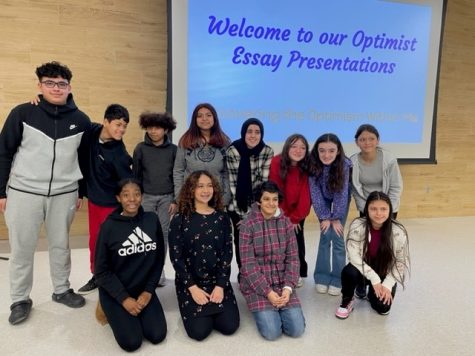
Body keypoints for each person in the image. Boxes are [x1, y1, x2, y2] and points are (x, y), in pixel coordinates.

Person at [0, 61, 90, 325]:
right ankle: (19, 299)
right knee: (22, 249)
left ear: (69, 87)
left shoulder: (81, 120)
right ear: (39, 85)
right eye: (49, 82)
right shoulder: (22, 113)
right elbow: (3, 152)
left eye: (61, 83)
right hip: (23, 192)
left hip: (64, 193)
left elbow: (84, 159)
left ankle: (61, 290)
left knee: (61, 246)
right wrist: (0, 191)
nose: (56, 88)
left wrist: (81, 191)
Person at [94, 178, 167, 351]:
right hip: (116, 291)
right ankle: (105, 306)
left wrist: (149, 291)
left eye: (136, 194)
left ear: (142, 196)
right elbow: (101, 271)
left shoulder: (151, 219)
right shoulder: (109, 227)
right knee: (132, 342)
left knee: (157, 335)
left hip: (142, 289)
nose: (132, 199)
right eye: (126, 195)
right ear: (118, 198)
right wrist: (124, 299)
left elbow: (158, 259)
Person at [168, 170, 240, 341]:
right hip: (191, 283)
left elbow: (227, 254)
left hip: (217, 282)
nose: (205, 190)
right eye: (200, 186)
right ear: (191, 190)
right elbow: (176, 258)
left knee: (229, 327)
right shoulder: (179, 219)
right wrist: (192, 288)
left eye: (209, 186)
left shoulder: (222, 218)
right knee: (199, 332)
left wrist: (221, 286)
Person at [239, 181, 305, 341]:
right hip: (258, 286)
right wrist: (268, 293)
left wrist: (288, 288)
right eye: (266, 199)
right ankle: (263, 307)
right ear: (258, 201)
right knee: (272, 332)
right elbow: (248, 266)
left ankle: (281, 306)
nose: (271, 203)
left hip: (283, 283)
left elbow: (293, 259)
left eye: (274, 199)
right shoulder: (248, 225)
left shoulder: (286, 223)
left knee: (296, 330)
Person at [78, 104, 133, 294]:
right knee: (94, 241)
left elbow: (128, 183)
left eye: (124, 126)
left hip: (112, 205)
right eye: (118, 125)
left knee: (113, 245)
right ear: (105, 122)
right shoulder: (91, 131)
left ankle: (115, 279)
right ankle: (96, 275)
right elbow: (72, 109)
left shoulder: (119, 154)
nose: (121, 130)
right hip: (94, 200)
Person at [335, 191, 410, 319]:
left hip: (384, 272)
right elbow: (354, 256)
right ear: (367, 210)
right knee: (349, 272)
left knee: (383, 308)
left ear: (390, 210)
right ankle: (348, 298)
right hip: (363, 271)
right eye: (373, 209)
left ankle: (370, 294)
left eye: (383, 209)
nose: (379, 213)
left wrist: (387, 284)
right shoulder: (358, 225)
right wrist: (374, 280)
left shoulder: (398, 230)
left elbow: (400, 262)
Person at [133, 111, 177, 286]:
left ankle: (158, 270)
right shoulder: (140, 148)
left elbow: (176, 176)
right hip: (146, 198)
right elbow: (135, 176)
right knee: (145, 235)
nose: (153, 131)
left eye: (157, 128)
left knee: (163, 235)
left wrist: (175, 200)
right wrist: (137, 198)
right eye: (150, 127)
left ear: (166, 129)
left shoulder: (174, 150)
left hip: (167, 198)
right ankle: (145, 270)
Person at [226, 118, 274, 268]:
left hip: (258, 206)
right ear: (243, 133)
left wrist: (254, 213)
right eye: (250, 131)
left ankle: (259, 272)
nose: (253, 135)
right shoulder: (233, 151)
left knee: (260, 239)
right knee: (241, 238)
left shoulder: (267, 151)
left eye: (257, 132)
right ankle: (244, 272)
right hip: (236, 205)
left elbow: (263, 185)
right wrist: (244, 216)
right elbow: (233, 185)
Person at [309, 133, 352, 296]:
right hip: (322, 200)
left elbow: (341, 194)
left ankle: (339, 278)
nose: (326, 155)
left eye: (331, 151)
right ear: (317, 151)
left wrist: (335, 218)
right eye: (322, 151)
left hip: (340, 198)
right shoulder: (312, 164)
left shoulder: (345, 164)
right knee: (326, 234)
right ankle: (321, 275)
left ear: (338, 151)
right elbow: (315, 192)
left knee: (338, 236)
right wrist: (325, 217)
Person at [269, 134, 311, 287]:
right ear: (287, 147)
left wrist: (295, 219)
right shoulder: (276, 162)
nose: (298, 150)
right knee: (279, 242)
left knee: (296, 240)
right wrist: (284, 215)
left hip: (298, 213)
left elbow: (306, 195)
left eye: (302, 147)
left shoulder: (307, 166)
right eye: (294, 146)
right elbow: (276, 191)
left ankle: (297, 271)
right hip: (279, 209)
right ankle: (280, 272)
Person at [173, 103, 231, 205]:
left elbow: (227, 172)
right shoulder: (185, 141)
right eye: (200, 116)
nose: (204, 119)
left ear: (214, 118)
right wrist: (179, 197)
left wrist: (225, 197)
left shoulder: (224, 142)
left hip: (217, 199)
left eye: (208, 115)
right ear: (195, 120)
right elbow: (178, 170)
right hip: (190, 200)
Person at [351, 124, 403, 218]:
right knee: (368, 233)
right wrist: (366, 208)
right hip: (366, 207)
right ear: (357, 142)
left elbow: (396, 187)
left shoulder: (389, 160)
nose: (367, 142)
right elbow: (355, 190)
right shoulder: (352, 162)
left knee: (387, 233)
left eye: (371, 139)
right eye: (362, 139)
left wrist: (387, 208)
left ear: (378, 140)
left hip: (387, 206)